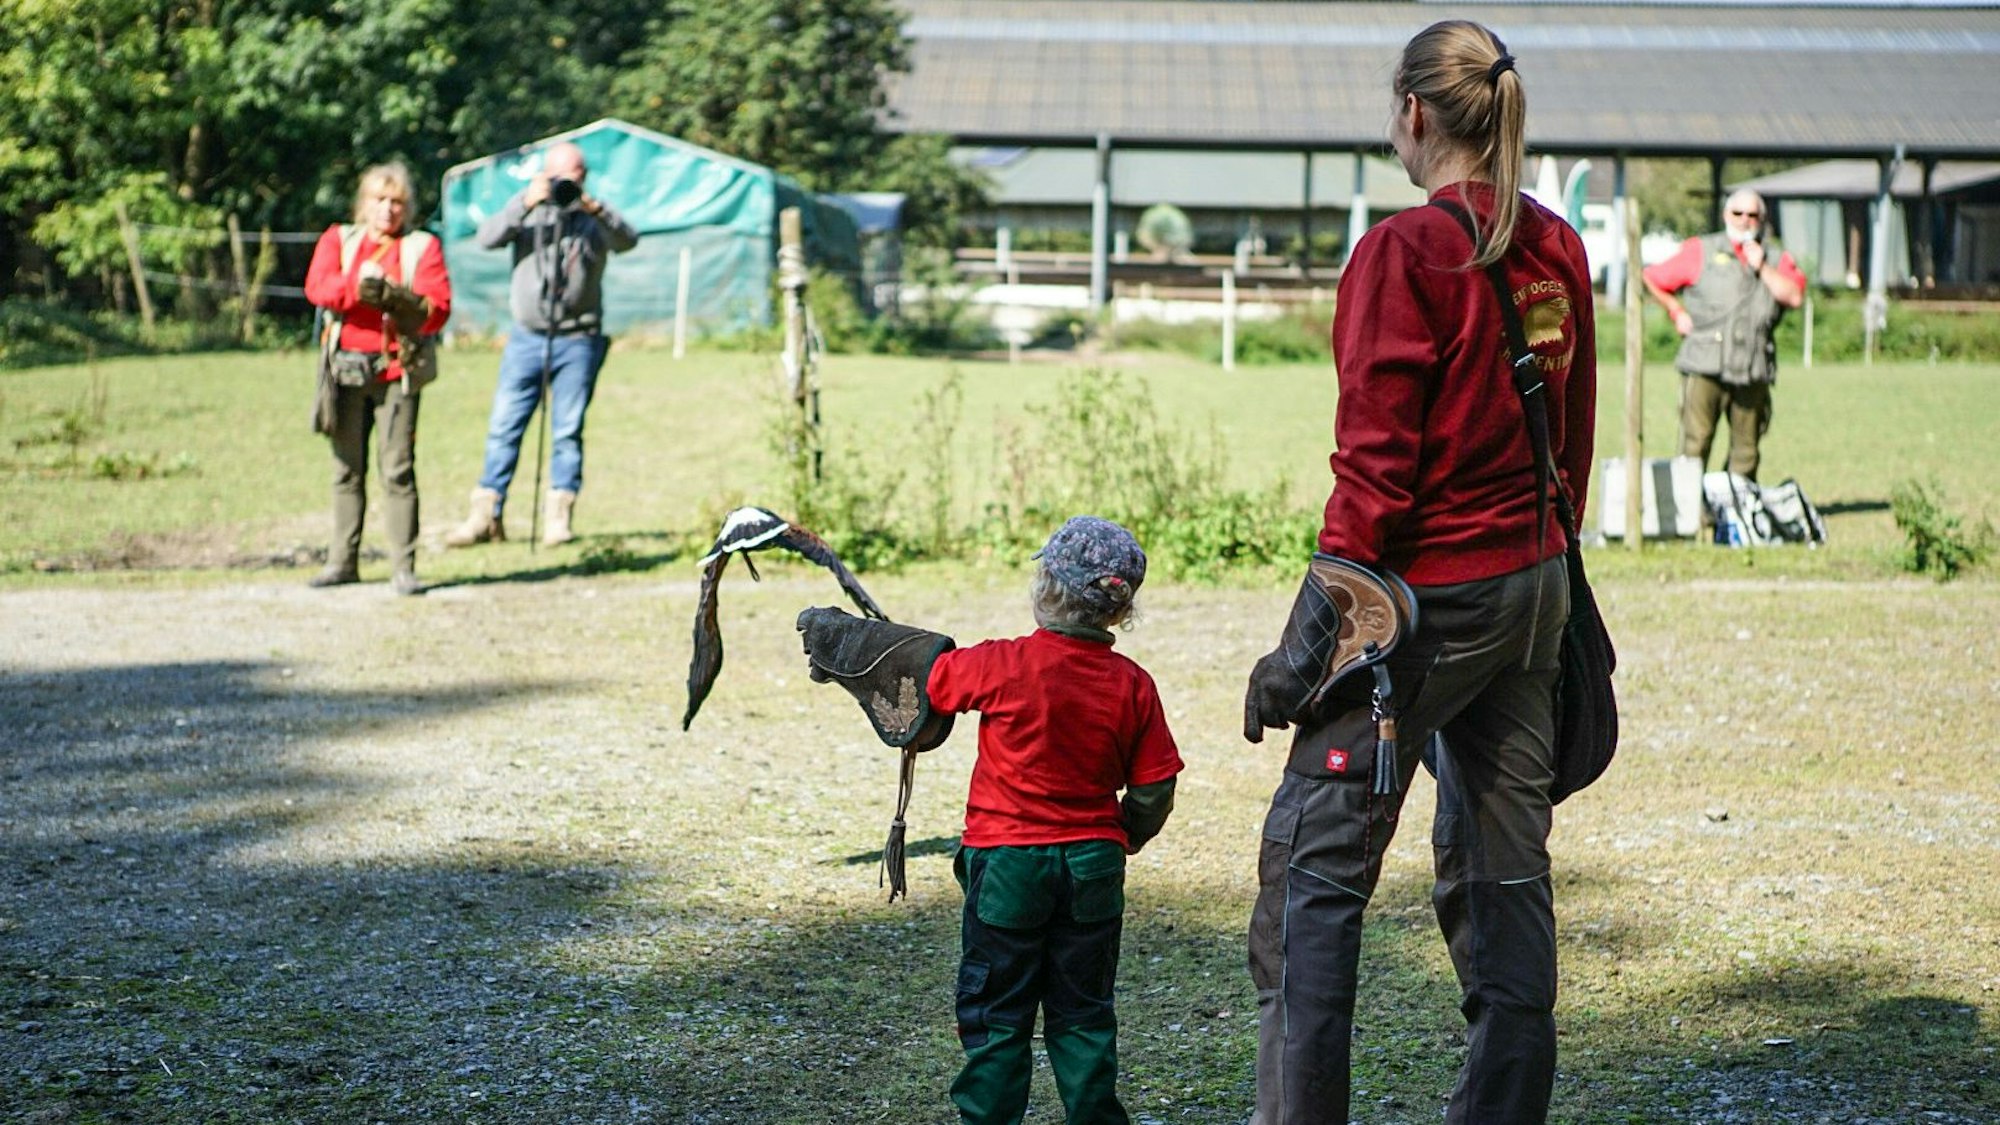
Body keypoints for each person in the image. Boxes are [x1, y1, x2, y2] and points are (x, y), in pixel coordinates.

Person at [1239, 21, 1595, 1124]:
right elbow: (1571, 439)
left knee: (1308, 877)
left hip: (1431, 607)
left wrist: (1294, 661)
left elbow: (1371, 483)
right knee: (1503, 877)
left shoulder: (1402, 253)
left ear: (1411, 115)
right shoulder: (1553, 244)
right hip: (1536, 591)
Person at [926, 517, 1184, 1125]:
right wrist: (1124, 832)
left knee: (997, 1014)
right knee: (1084, 1012)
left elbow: (936, 684)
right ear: (1118, 611)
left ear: (1046, 588)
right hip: (1093, 865)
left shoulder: (1004, 664)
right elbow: (1155, 786)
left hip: (1009, 865)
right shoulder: (1133, 685)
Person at [444, 140, 638, 548]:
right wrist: (526, 202)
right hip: (527, 338)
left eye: (575, 176)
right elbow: (487, 238)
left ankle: (558, 518)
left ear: (584, 177)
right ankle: (486, 515)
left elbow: (628, 240)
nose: (566, 184)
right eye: (558, 176)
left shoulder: (592, 218)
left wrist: (595, 207)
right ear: (544, 176)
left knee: (566, 430)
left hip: (579, 339)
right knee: (503, 426)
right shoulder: (529, 211)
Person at [303, 161, 452, 596]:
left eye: (397, 202)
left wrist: (394, 295)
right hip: (344, 369)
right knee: (346, 469)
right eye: (379, 200)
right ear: (363, 203)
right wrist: (359, 287)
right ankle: (341, 562)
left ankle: (403, 568)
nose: (388, 209)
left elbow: (436, 308)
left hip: (396, 372)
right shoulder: (339, 240)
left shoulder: (422, 247)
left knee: (397, 471)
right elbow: (318, 288)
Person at [1643, 187, 1807, 482]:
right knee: (1695, 444)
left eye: (1752, 214)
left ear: (1762, 219)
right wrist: (1676, 311)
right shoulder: (1701, 250)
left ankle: (1735, 518)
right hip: (1704, 365)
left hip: (1752, 367)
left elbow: (1794, 296)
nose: (1745, 220)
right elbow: (1652, 277)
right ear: (1725, 215)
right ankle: (1690, 518)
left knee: (1746, 452)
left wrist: (1763, 267)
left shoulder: (1777, 257)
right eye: (1738, 213)